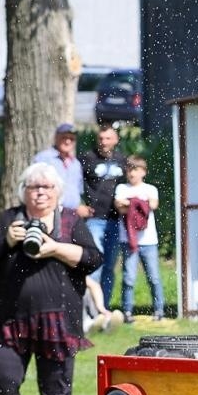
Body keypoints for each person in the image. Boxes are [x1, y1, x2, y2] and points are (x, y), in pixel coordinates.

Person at [0, 161, 102, 395]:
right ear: (24, 191)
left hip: (58, 323)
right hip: (12, 323)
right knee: (2, 381)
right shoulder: (10, 219)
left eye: (47, 187)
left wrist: (56, 248)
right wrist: (7, 241)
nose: (41, 192)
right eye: (34, 187)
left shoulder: (69, 220)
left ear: (58, 191)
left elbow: (92, 259)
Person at [81, 124, 127, 307]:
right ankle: (90, 309)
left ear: (115, 140)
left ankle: (104, 309)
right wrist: (79, 203)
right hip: (94, 220)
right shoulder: (87, 158)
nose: (104, 142)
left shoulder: (122, 160)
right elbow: (75, 183)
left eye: (108, 138)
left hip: (115, 221)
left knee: (109, 266)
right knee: (95, 265)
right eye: (101, 138)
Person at [113, 155, 163, 322]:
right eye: (129, 170)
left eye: (135, 169)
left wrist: (130, 203)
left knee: (154, 277)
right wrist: (139, 203)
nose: (131, 173)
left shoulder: (150, 189)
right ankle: (127, 311)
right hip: (128, 240)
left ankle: (159, 310)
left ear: (143, 172)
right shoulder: (121, 188)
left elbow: (153, 205)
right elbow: (119, 207)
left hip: (149, 241)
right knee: (129, 277)